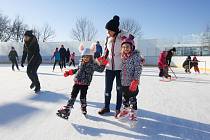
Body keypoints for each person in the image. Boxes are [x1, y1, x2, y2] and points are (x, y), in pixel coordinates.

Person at [56, 44, 107, 119]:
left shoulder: (92, 65)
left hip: (85, 84)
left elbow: (101, 70)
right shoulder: (81, 63)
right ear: (82, 57)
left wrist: (103, 63)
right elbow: (77, 70)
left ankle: (83, 107)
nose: (85, 58)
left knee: (82, 97)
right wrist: (69, 72)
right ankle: (67, 109)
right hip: (77, 82)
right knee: (73, 96)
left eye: (87, 57)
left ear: (91, 57)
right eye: (84, 57)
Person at [98, 15, 128, 117]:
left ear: (115, 30)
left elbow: (129, 48)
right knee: (107, 89)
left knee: (119, 89)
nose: (108, 32)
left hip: (120, 68)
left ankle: (118, 109)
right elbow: (106, 49)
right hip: (109, 67)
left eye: (109, 30)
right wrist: (103, 57)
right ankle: (106, 107)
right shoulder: (108, 37)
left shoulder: (123, 35)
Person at [116, 34, 142, 124]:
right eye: (123, 47)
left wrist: (135, 80)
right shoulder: (123, 57)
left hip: (132, 83)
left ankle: (133, 113)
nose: (125, 48)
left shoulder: (135, 56)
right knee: (125, 98)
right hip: (124, 82)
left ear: (132, 47)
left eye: (127, 46)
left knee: (132, 99)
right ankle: (125, 110)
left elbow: (138, 68)